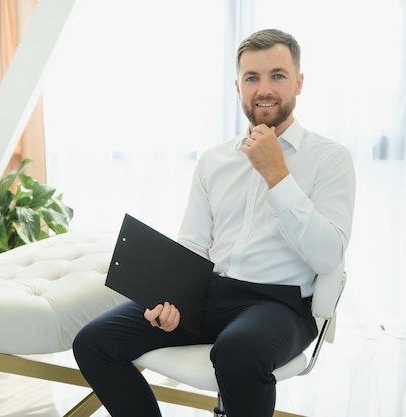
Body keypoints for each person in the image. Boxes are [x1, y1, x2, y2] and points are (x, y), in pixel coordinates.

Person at [72, 28, 356, 417]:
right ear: (238, 86)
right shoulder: (214, 160)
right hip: (207, 295)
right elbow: (192, 243)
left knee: (238, 352)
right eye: (252, 78)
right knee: (94, 341)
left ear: (299, 83)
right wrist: (167, 298)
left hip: (281, 304)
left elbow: (328, 258)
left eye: (277, 75)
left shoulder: (330, 159)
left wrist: (277, 176)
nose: (264, 89)